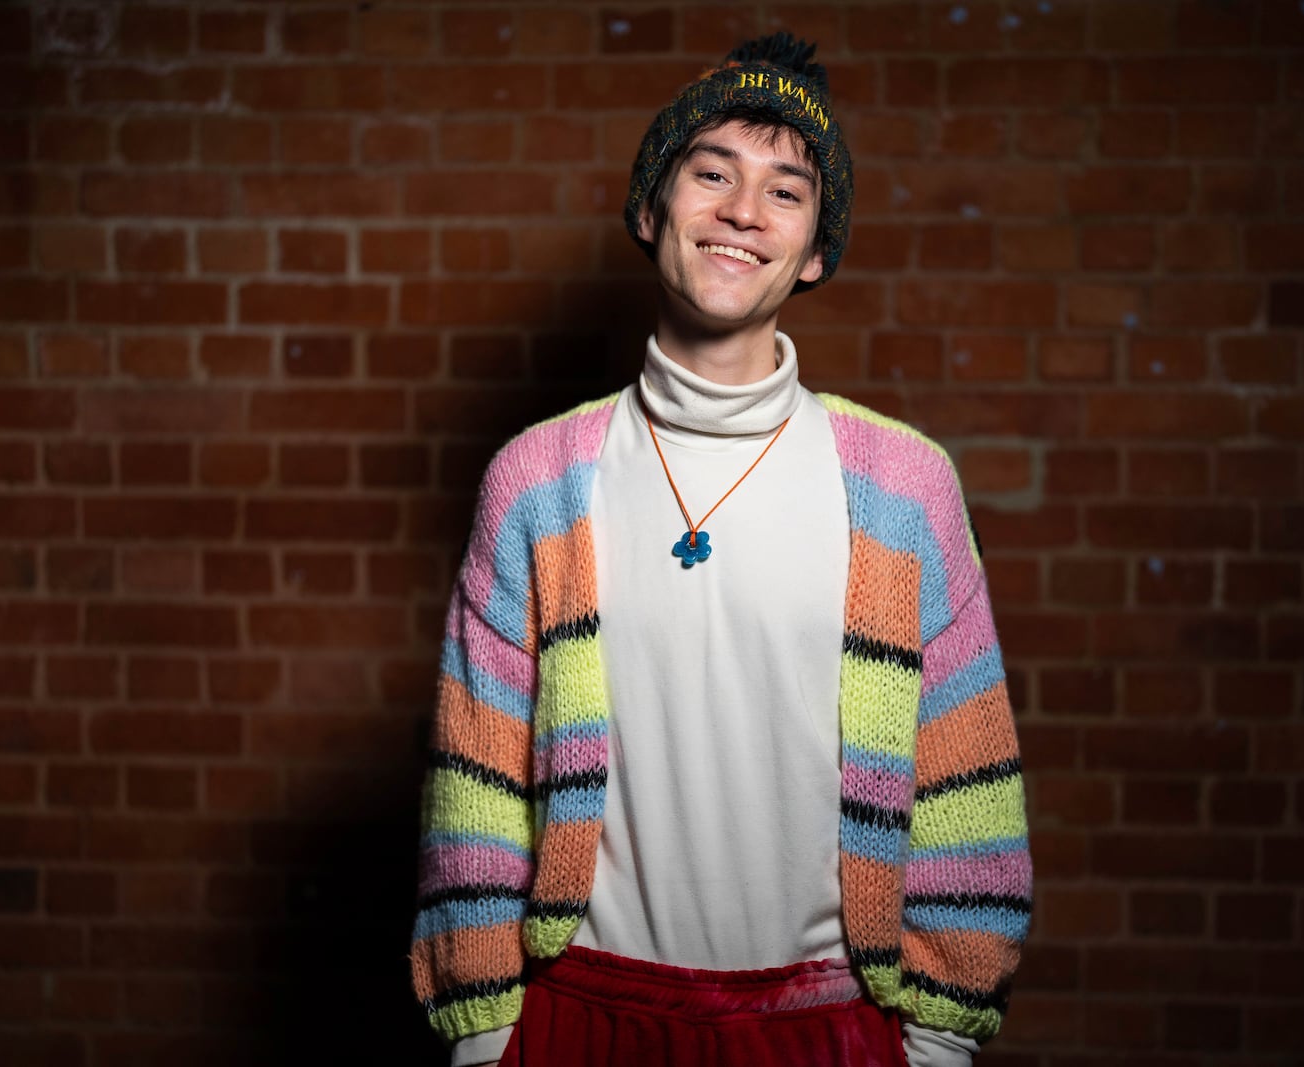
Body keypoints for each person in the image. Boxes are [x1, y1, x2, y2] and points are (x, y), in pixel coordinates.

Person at [409, 32, 1031, 1067]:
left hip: (833, 1025)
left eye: (786, 191)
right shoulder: (536, 480)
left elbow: (967, 778)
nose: (744, 212)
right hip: (580, 1018)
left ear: (816, 248)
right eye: (711, 174)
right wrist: (485, 1037)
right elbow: (476, 775)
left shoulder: (902, 488)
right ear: (652, 208)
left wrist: (935, 1042)